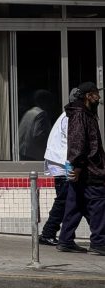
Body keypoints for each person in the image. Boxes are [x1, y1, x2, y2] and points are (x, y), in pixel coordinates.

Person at [57, 81, 105, 254]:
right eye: (96, 94)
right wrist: (77, 166)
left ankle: (65, 240)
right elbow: (78, 141)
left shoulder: (85, 114)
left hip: (84, 167)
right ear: (88, 96)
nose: (99, 97)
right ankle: (99, 242)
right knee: (98, 204)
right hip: (89, 169)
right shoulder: (80, 114)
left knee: (75, 204)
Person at [40, 88, 81, 246]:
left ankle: (58, 234)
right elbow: (73, 143)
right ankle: (49, 233)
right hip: (62, 163)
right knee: (63, 200)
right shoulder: (72, 116)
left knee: (65, 200)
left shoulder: (68, 115)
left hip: (60, 162)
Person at [19, 89, 52, 160]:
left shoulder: (29, 112)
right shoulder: (41, 114)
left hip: (23, 152)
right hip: (34, 155)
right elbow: (39, 135)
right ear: (44, 101)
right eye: (49, 101)